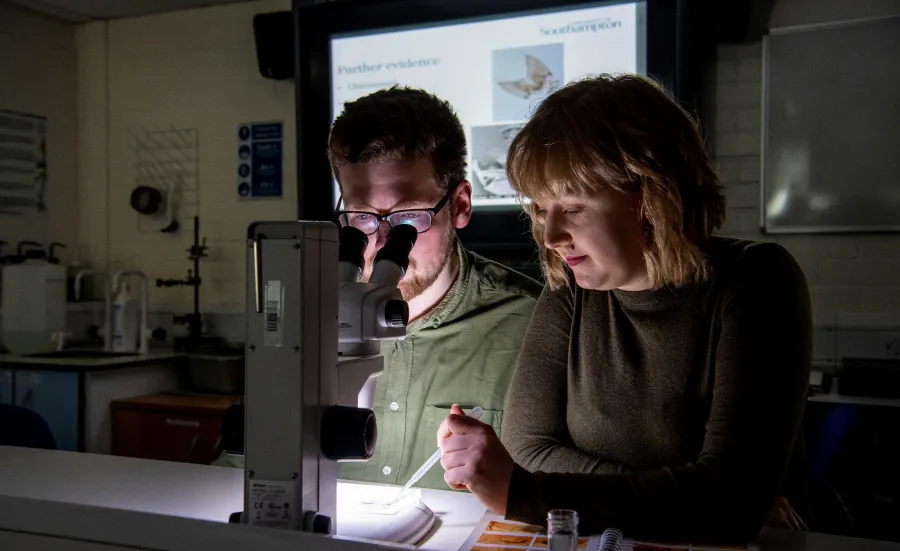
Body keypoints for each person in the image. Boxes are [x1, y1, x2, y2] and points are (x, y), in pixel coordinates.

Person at [436, 74, 812, 542]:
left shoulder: (758, 281)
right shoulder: (572, 285)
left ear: (652, 195)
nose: (550, 238)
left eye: (572, 208)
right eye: (539, 209)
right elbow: (528, 448)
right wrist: (686, 492)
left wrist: (528, 494)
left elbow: (729, 505)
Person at [214, 87, 543, 491]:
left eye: (408, 218)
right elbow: (238, 471)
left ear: (459, 205)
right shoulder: (301, 319)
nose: (384, 242)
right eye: (363, 218)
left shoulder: (537, 326)